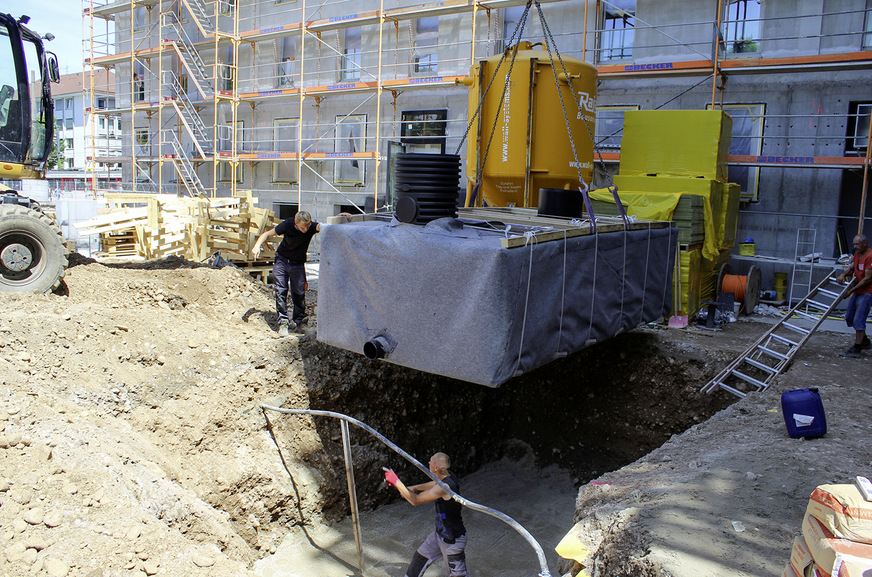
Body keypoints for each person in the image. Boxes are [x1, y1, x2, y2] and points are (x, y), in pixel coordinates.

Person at [384, 453, 469, 577]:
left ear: (436, 468)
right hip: (439, 535)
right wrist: (415, 487)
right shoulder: (448, 476)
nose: (428, 462)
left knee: (458, 575)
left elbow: (415, 500)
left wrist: (397, 482)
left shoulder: (445, 487)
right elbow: (435, 483)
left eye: (431, 461)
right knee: (419, 558)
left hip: (453, 540)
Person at [252, 210, 320, 336]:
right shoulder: (287, 224)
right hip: (282, 261)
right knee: (280, 291)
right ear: (295, 223)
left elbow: (326, 227)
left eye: (307, 226)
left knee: (299, 293)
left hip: (298, 264)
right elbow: (267, 234)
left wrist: (341, 217)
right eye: (303, 227)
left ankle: (301, 323)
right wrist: (257, 246)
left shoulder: (311, 227)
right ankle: (283, 322)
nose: (306, 229)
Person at [836, 233, 872, 358]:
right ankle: (864, 341)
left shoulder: (870, 256)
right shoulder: (858, 254)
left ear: (864, 244)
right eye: (854, 244)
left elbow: (867, 279)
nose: (855, 246)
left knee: (858, 319)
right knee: (850, 317)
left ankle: (857, 348)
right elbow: (852, 268)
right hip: (858, 291)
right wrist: (843, 274)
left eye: (857, 244)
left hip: (867, 292)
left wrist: (851, 291)